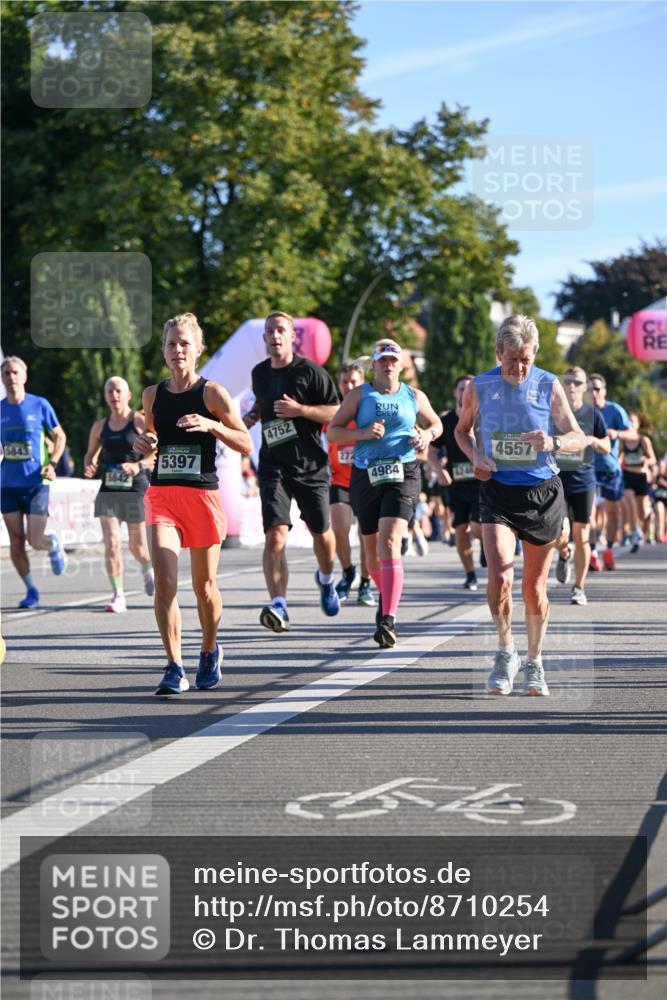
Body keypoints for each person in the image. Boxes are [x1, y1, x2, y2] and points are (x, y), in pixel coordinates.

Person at [455, 315, 585, 696]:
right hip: (497, 490)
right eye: (512, 359)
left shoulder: (548, 385)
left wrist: (554, 443)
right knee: (500, 576)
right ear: (498, 353)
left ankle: (535, 661)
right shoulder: (480, 386)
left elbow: (577, 436)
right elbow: (461, 431)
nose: (519, 367)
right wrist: (477, 455)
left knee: (534, 587)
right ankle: (505, 650)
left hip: (542, 492)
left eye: (526, 358)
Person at [134, 313, 252, 695]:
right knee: (165, 584)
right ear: (164, 351)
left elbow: (245, 442)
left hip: (201, 496)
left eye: (184, 343)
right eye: (171, 344)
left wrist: (212, 425)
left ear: (198, 349)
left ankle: (209, 648)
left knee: (204, 587)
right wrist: (144, 445)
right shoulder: (152, 395)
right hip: (163, 495)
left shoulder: (212, 394)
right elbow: (151, 436)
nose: (177, 350)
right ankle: (173, 666)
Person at [327, 339, 442, 648]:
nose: (388, 365)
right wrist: (361, 434)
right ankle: (387, 595)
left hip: (402, 472)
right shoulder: (358, 395)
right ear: (373, 366)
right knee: (372, 554)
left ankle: (388, 618)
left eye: (393, 360)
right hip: (366, 473)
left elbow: (436, 423)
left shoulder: (413, 396)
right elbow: (333, 431)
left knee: (389, 542)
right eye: (383, 361)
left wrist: (426, 434)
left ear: (401, 365)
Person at [244, 311, 341, 631]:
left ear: (291, 337)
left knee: (321, 533)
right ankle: (279, 604)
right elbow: (263, 402)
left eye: (280, 330)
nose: (274, 335)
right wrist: (254, 415)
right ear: (265, 338)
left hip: (311, 466)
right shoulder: (259, 373)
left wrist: (301, 411)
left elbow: (336, 410)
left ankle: (326, 579)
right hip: (273, 465)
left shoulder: (310, 372)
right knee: (274, 536)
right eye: (269, 331)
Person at [83, 376, 155, 612]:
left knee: (137, 547)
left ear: (128, 395)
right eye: (109, 391)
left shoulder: (139, 421)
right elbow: (90, 455)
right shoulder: (99, 426)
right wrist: (90, 464)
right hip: (109, 488)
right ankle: (118, 595)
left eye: (118, 391)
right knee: (112, 542)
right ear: (105, 396)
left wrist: (138, 465)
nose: (114, 396)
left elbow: (156, 453)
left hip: (135, 487)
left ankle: (147, 569)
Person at [1, 356, 68, 608]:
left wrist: (53, 462)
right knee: (16, 541)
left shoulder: (39, 405)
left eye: (15, 372)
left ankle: (52, 544)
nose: (11, 377)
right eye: (6, 373)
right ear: (2, 378)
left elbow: (59, 436)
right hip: (6, 484)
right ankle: (31, 590)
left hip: (36, 482)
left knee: (34, 540)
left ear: (24, 376)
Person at [553, 367, 611, 605]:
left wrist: (592, 441)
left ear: (585, 386)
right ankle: (564, 554)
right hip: (556, 481)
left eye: (577, 382)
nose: (572, 387)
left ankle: (579, 587)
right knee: (560, 533)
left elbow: (607, 447)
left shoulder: (593, 414)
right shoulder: (553, 413)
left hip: (584, 482)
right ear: (563, 385)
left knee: (582, 534)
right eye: (568, 382)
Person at [325, 360, 376, 607]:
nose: (348, 386)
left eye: (354, 381)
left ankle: (366, 582)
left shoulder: (370, 410)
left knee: (366, 534)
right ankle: (347, 572)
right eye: (344, 382)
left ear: (362, 383)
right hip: (340, 480)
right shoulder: (333, 413)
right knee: (339, 525)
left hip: (367, 478)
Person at [429, 374, 482, 591]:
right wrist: (439, 470)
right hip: (456, 485)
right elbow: (431, 452)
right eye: (461, 388)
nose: (465, 392)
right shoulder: (447, 422)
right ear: (455, 392)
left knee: (479, 527)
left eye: (469, 388)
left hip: (482, 484)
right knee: (460, 529)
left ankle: (487, 550)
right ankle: (470, 574)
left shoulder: (485, 418)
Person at [587, 374, 632, 571]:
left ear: (604, 390)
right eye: (590, 389)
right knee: (590, 515)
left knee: (613, 514)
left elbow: (633, 433)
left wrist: (617, 433)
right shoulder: (582, 411)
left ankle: (609, 550)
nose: (593, 392)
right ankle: (593, 552)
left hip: (610, 470)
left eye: (597, 388)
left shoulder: (615, 410)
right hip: (588, 469)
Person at [620, 412, 658, 550]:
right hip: (627, 475)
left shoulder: (643, 440)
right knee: (630, 506)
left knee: (641, 513)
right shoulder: (623, 441)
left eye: (632, 421)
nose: (630, 423)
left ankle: (648, 515)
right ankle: (635, 535)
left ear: (638, 425)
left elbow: (653, 459)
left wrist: (647, 460)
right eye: (628, 421)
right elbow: (618, 456)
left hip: (641, 477)